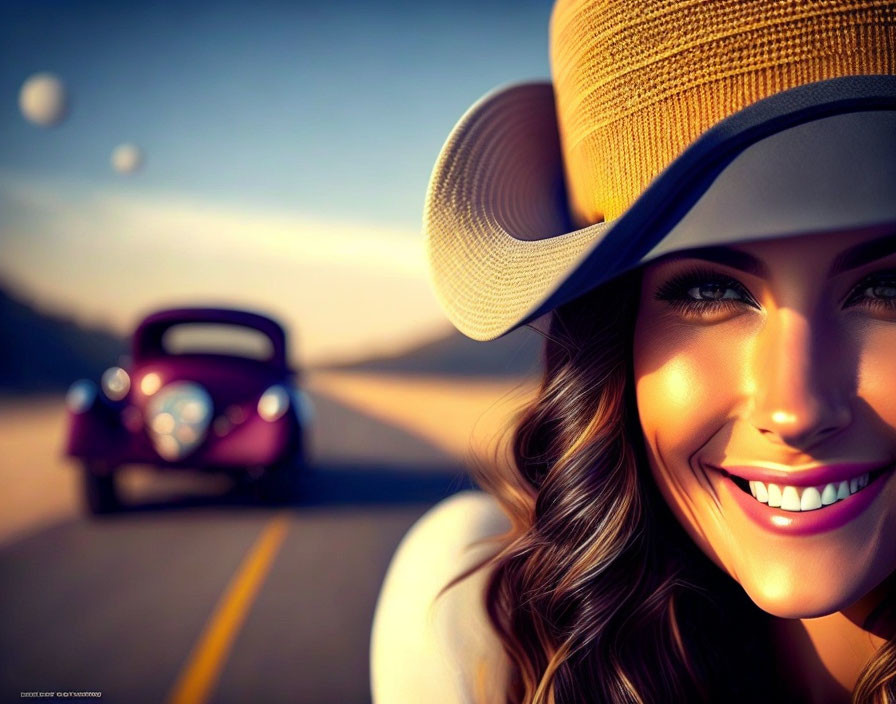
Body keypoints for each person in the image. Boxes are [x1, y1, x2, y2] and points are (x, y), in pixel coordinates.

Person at [371, 1, 896, 702]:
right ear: (616, 345)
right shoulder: (479, 648)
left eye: (887, 288)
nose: (795, 409)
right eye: (710, 290)